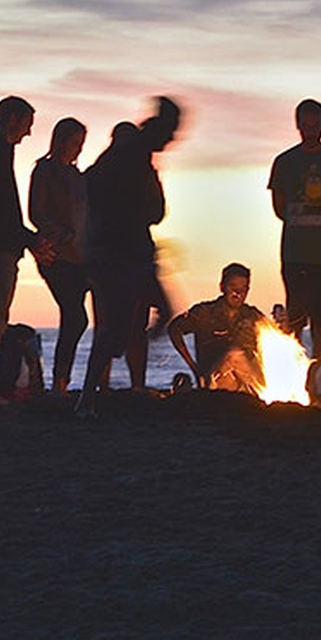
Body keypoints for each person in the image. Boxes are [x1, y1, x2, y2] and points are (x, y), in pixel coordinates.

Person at [77, 97, 182, 417]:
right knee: (114, 334)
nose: (172, 140)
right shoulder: (129, 156)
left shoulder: (135, 160)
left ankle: (93, 393)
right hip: (120, 256)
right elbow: (152, 211)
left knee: (158, 314)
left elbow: (155, 212)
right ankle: (88, 397)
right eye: (171, 133)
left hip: (134, 254)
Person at [267, 98, 321, 395]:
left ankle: (315, 377)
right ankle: (293, 375)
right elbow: (279, 207)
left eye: (315, 124)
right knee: (295, 318)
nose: (310, 130)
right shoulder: (284, 162)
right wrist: (303, 223)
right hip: (295, 254)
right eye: (305, 125)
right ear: (298, 125)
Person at [0, 96, 51, 407]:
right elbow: (3, 210)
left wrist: (27, 240)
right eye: (27, 124)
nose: (29, 133)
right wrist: (29, 239)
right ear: (12, 119)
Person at [29, 117, 90, 394]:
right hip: (56, 255)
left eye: (81, 143)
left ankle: (65, 381)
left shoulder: (78, 176)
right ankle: (60, 382)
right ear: (60, 141)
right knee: (75, 316)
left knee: (77, 317)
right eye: (74, 142)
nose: (78, 148)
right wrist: (60, 233)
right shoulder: (45, 171)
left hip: (82, 256)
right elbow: (36, 213)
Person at [168, 263, 267, 395]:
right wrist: (193, 367)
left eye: (243, 289)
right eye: (233, 287)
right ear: (222, 287)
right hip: (216, 381)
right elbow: (174, 329)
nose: (238, 293)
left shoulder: (253, 316)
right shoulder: (204, 313)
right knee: (234, 355)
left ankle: (262, 395)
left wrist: (283, 325)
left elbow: (277, 336)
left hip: (247, 382)